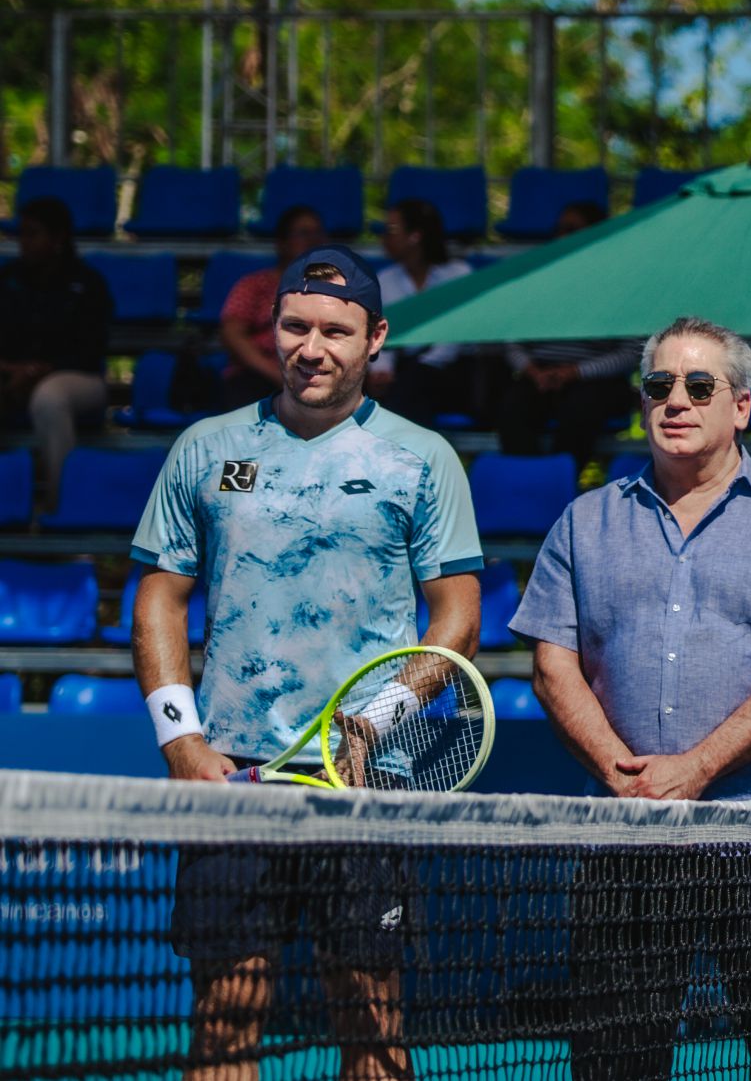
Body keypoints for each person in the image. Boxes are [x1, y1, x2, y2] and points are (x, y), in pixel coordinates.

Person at [128, 244, 485, 1081]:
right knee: (225, 1021)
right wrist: (180, 740)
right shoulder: (207, 448)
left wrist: (375, 722)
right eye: (296, 327)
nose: (311, 348)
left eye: (335, 331)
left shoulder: (422, 458)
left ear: (375, 338)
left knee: (373, 1023)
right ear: (275, 328)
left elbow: (458, 619)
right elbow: (160, 599)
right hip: (232, 781)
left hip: (366, 783)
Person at [511, 313, 751, 1081]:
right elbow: (552, 667)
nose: (676, 400)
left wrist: (694, 769)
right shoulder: (584, 522)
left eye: (700, 386)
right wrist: (627, 778)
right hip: (627, 837)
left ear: (741, 406)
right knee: (616, 1067)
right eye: (660, 384)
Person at [496, 200, 638, 470]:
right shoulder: (536, 283)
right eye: (559, 230)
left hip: (596, 379)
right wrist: (531, 371)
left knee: (581, 409)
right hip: (539, 375)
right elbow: (511, 341)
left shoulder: (620, 286)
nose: (563, 237)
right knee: (512, 406)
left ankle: (561, 481)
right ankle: (527, 481)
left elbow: (630, 353)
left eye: (572, 230)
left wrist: (577, 372)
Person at [0, 197, 111, 509]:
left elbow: (90, 352)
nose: (24, 242)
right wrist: (11, 369)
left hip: (78, 379)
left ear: (58, 237)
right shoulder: (7, 279)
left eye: (33, 233)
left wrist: (37, 371)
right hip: (11, 376)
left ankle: (61, 504)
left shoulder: (87, 284)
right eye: (21, 233)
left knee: (49, 397)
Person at [369, 196, 473, 426]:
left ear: (415, 236)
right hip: (404, 371)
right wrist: (381, 370)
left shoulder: (458, 275)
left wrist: (422, 364)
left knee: (413, 383)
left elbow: (453, 340)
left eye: (392, 230)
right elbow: (381, 334)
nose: (385, 237)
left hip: (451, 369)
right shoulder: (385, 280)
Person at [218, 204, 328, 408]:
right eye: (304, 233)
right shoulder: (255, 285)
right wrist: (275, 373)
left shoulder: (335, 289)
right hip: (259, 375)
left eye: (318, 234)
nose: (313, 241)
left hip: (320, 373)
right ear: (282, 242)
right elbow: (232, 334)